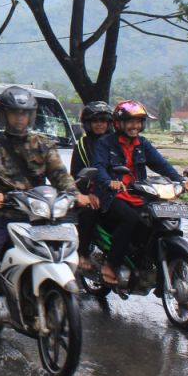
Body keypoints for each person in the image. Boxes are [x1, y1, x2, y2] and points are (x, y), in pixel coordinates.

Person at [0, 86, 92, 338]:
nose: (20, 118)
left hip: (38, 215)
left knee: (63, 252)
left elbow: (60, 176)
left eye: (24, 113)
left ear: (30, 116)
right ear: (4, 115)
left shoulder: (43, 145)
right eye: (14, 113)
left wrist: (75, 194)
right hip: (1, 214)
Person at [92, 100, 188, 288]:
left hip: (139, 194)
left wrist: (180, 180)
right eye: (130, 121)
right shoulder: (105, 143)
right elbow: (98, 167)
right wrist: (109, 182)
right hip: (113, 196)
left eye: (139, 122)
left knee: (161, 218)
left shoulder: (143, 144)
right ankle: (111, 263)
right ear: (118, 123)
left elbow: (161, 164)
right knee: (131, 219)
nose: (135, 126)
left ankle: (156, 263)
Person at [71, 101, 112, 269]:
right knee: (88, 212)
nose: (100, 124)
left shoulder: (115, 141)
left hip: (115, 190)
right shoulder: (82, 145)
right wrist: (87, 194)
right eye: (95, 121)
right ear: (88, 124)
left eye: (103, 120)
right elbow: (76, 174)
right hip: (90, 191)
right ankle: (83, 253)